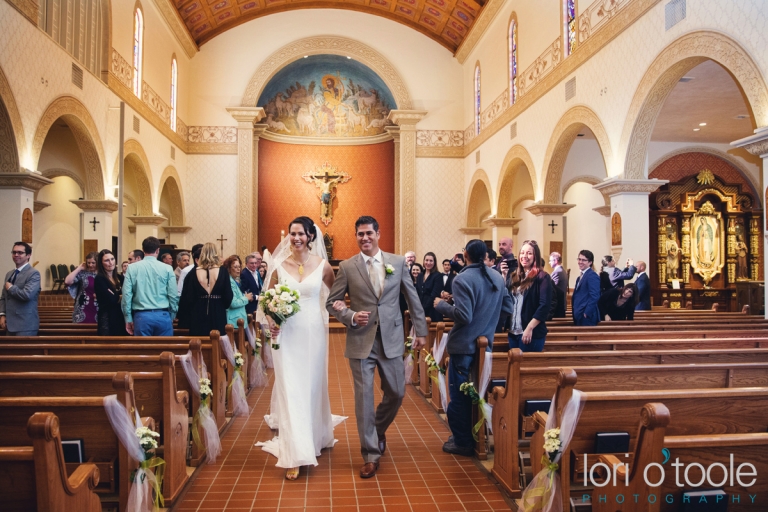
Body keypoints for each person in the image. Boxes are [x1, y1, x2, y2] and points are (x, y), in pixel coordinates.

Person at [326, 215, 427, 479]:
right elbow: (332, 303)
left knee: (396, 393)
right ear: (356, 236)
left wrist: (421, 330)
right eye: (360, 234)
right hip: (361, 340)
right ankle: (370, 453)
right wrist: (349, 316)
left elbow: (411, 296)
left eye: (369, 233)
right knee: (364, 400)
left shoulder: (397, 262)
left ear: (378, 234)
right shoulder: (348, 267)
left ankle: (377, 429)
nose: (365, 238)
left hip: (391, 339)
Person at [258, 216, 342, 481]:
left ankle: (313, 437)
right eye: (292, 234)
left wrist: (349, 316)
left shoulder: (323, 266)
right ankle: (295, 453)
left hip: (314, 332)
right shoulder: (278, 266)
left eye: (301, 234)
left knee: (312, 385)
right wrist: (272, 321)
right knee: (291, 388)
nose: (295, 238)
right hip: (286, 333)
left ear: (310, 237)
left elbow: (335, 298)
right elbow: (266, 302)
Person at [434, 239, 512, 456]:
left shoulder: (462, 279)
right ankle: (470, 436)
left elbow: (464, 316)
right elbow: (508, 306)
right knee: (477, 392)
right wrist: (489, 322)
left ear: (465, 255)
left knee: (459, 396)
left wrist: (442, 306)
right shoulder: (497, 276)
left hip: (463, 346)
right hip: (484, 344)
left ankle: (462, 441)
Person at [122, 237, 179, 336]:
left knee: (143, 350)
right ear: (158, 250)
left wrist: (128, 318)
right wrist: (172, 315)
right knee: (165, 350)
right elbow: (173, 295)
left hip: (141, 316)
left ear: (143, 250)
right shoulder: (168, 269)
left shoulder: (132, 268)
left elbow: (126, 295)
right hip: (163, 315)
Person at [502, 240, 552, 352]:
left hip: (530, 333)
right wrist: (504, 277)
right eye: (522, 253)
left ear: (535, 256)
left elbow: (544, 306)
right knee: (515, 369)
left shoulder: (542, 277)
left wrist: (529, 328)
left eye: (529, 253)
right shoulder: (514, 275)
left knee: (526, 368)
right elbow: (506, 299)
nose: (525, 256)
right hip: (513, 332)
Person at [177, 243, 233, 336]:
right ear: (216, 254)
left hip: (198, 312)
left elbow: (187, 298)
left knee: (199, 343)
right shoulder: (223, 271)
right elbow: (228, 296)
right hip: (218, 311)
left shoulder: (193, 273)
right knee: (217, 343)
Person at [0, 242, 40, 336]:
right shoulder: (9, 274)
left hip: (25, 325)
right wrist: (2, 314)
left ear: (28, 255)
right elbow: (3, 297)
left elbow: (27, 295)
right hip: (9, 324)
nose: (16, 255)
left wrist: (11, 288)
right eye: (14, 252)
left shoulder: (33, 273)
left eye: (20, 252)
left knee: (24, 351)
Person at [94, 249, 128, 336]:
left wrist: (118, 296)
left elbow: (128, 295)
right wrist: (121, 296)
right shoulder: (100, 279)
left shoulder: (120, 278)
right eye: (106, 260)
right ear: (101, 263)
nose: (110, 262)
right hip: (107, 317)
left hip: (121, 316)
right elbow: (112, 299)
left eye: (112, 259)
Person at [64, 252, 99, 323]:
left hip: (98, 307)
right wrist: (79, 268)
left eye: (93, 263)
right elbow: (67, 281)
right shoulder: (82, 273)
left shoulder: (102, 274)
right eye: (88, 263)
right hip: (82, 307)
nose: (90, 265)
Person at [572, 250, 601, 327]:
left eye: (583, 260)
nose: (580, 262)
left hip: (587, 317)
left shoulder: (592, 276)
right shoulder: (580, 277)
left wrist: (586, 312)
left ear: (590, 262)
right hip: (579, 314)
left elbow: (595, 296)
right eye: (579, 259)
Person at [223, 255, 252, 329]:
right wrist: (246, 298)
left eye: (239, 267)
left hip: (238, 321)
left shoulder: (233, 281)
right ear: (229, 268)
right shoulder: (229, 282)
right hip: (234, 322)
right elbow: (233, 303)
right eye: (235, 267)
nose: (238, 269)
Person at [418, 252, 443, 322]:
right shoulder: (420, 275)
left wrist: (423, 308)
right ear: (423, 261)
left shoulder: (438, 276)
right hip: (420, 311)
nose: (428, 263)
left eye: (431, 261)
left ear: (434, 262)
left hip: (432, 311)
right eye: (426, 260)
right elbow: (418, 292)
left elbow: (434, 295)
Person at [240, 252, 263, 318]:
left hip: (257, 305)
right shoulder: (244, 274)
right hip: (250, 305)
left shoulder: (257, 272)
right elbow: (243, 291)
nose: (254, 265)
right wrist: (256, 297)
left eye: (255, 263)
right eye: (251, 263)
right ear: (246, 264)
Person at [549, 252, 567, 318]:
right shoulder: (562, 271)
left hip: (558, 306)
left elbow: (553, 289)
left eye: (550, 260)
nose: (549, 262)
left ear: (556, 261)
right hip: (561, 304)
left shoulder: (557, 272)